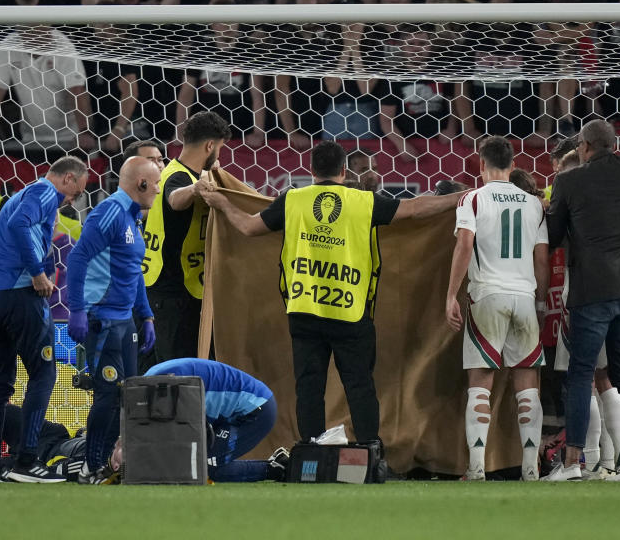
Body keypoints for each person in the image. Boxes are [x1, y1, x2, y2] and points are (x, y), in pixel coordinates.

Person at [199, 140, 464, 445]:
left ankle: (311, 451)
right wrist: (465, 196)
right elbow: (416, 209)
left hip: (304, 309)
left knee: (309, 388)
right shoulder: (363, 201)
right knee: (360, 385)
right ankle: (367, 450)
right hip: (349, 310)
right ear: (343, 170)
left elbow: (246, 226)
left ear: (311, 170)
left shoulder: (293, 200)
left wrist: (221, 203)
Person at [545, 120, 620, 481]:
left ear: (585, 146)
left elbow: (555, 233)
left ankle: (573, 463)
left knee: (580, 374)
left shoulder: (568, 181)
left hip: (592, 288)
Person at [0, 156, 89, 482]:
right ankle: (27, 461)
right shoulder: (42, 192)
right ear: (67, 179)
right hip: (21, 294)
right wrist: (38, 273)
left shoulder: (23, 194)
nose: (71, 201)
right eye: (75, 193)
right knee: (43, 374)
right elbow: (20, 225)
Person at [444, 136, 549, 481]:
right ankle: (531, 470)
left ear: (480, 164)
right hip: (524, 296)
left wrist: (451, 295)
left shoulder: (472, 199)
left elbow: (464, 244)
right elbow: (541, 256)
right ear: (513, 165)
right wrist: (540, 300)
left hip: (487, 294)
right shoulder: (534, 203)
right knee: (528, 384)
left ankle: (476, 469)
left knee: (480, 383)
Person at [66, 156, 161, 484]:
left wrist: (146, 315)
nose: (159, 190)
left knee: (127, 396)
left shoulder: (133, 219)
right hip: (101, 320)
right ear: (142, 183)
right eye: (157, 183)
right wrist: (76, 309)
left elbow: (133, 272)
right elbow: (77, 258)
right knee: (107, 394)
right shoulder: (109, 212)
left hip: (125, 323)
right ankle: (90, 466)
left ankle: (110, 462)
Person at [142, 111, 230, 370]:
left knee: (189, 368)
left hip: (181, 289)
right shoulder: (178, 177)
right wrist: (195, 189)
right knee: (175, 372)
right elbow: (174, 198)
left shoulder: (192, 175)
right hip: (170, 292)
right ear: (210, 146)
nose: (219, 156)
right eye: (220, 149)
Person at [145, 358, 287, 483]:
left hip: (256, 409)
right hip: (243, 405)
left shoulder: (167, 390)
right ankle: (276, 464)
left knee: (202, 469)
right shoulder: (149, 383)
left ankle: (277, 469)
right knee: (193, 462)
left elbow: (194, 434)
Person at [0, 23, 95, 153]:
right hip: (30, 139)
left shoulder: (64, 46)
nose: (33, 33)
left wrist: (84, 131)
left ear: (48, 26)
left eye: (38, 27)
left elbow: (77, 90)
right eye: (27, 28)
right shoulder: (9, 45)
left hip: (70, 139)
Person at [0, 400, 102, 483]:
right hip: (48, 436)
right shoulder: (113, 442)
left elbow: (54, 474)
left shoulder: (96, 467)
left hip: (34, 465)